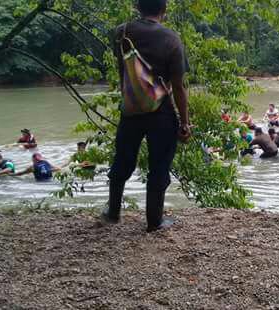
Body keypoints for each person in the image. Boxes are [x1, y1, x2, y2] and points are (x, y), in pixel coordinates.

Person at [103, 0, 191, 232]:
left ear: (137, 7)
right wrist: (184, 122)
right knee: (159, 165)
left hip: (130, 109)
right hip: (161, 112)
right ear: (164, 10)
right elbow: (179, 86)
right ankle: (155, 221)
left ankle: (113, 212)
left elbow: (123, 67)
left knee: (122, 158)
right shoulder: (171, 39)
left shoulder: (120, 32)